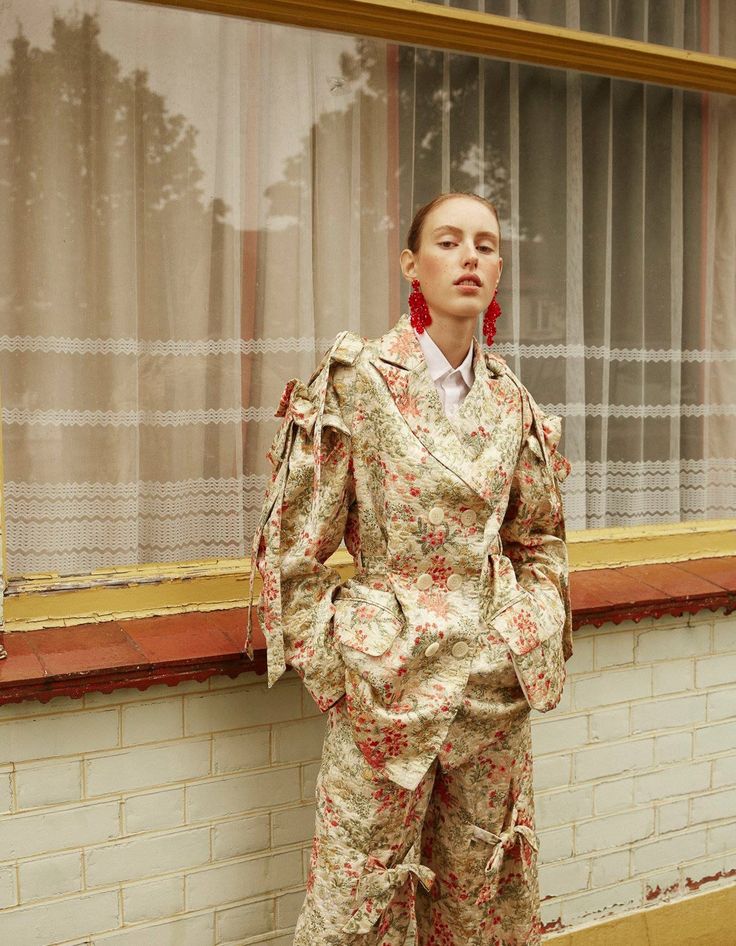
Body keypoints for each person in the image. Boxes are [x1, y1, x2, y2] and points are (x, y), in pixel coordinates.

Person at [246, 192, 573, 945]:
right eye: (449, 242)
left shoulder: (512, 401)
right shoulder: (360, 382)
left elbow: (540, 542)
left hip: (493, 691)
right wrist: (339, 668)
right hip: (384, 687)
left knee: (479, 902)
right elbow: (294, 544)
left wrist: (528, 629)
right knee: (358, 900)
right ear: (411, 265)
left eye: (486, 245)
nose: (470, 258)